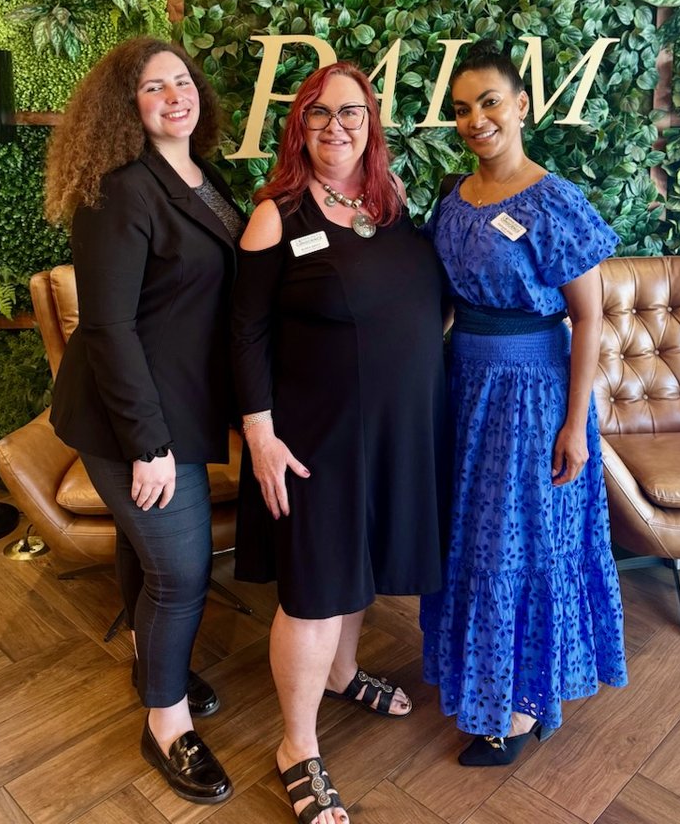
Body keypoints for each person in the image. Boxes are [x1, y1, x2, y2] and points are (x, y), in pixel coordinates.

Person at [231, 61, 446, 824]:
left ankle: (344, 673)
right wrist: (258, 433)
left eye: (350, 112)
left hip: (392, 432)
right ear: (299, 125)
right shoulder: (277, 213)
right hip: (312, 438)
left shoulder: (391, 204)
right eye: (319, 114)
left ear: (371, 121)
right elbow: (245, 331)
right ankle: (296, 746)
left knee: (358, 566)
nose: (336, 126)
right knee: (318, 587)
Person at [45, 37, 244, 805]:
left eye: (181, 80)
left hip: (182, 407)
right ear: (124, 108)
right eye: (153, 87)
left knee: (147, 552)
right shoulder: (119, 190)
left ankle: (149, 659)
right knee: (181, 568)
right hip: (127, 419)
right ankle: (166, 722)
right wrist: (148, 445)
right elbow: (108, 329)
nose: (174, 95)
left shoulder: (203, 177)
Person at [420, 39, 628, 767]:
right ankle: (483, 680)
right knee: (472, 542)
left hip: (533, 396)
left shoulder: (556, 199)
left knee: (524, 543)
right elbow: (442, 304)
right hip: (464, 388)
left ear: (523, 106)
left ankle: (522, 701)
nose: (476, 119)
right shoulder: (453, 197)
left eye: (489, 102)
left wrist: (576, 424)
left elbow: (591, 317)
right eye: (461, 109)